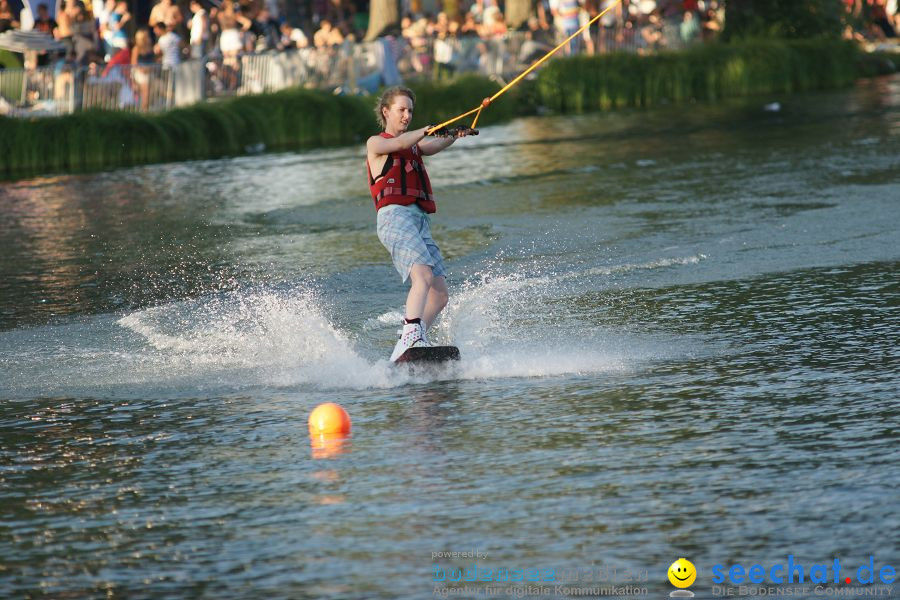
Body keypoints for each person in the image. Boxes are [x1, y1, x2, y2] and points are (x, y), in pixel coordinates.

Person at [366, 86, 475, 361]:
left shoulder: (414, 144)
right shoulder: (376, 144)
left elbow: (431, 146)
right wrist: (426, 130)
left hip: (418, 221)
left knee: (439, 295)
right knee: (422, 277)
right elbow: (402, 143)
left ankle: (411, 339)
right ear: (386, 111)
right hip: (394, 217)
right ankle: (411, 336)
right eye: (401, 110)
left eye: (410, 111)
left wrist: (452, 135)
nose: (407, 115)